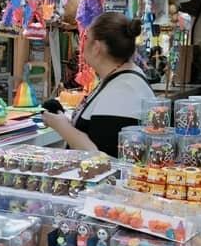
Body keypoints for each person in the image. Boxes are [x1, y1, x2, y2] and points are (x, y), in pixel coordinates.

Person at [42, 12, 154, 156]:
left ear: (96, 47)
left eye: (86, 38)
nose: (82, 45)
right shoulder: (118, 79)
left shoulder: (124, 90)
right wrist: (64, 121)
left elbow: (101, 157)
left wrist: (62, 127)